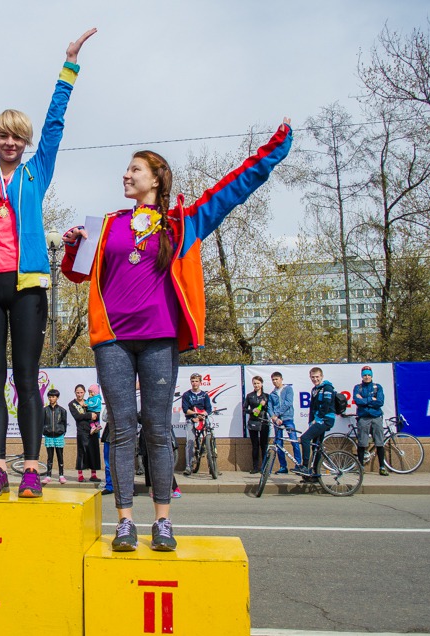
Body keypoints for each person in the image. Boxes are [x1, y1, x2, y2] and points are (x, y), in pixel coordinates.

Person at [61, 120, 293, 552]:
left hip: (160, 339)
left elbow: (232, 189)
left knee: (158, 428)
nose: (126, 175)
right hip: (111, 339)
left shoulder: (180, 224)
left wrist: (272, 152)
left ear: (156, 178)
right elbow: (75, 272)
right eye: (126, 170)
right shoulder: (106, 224)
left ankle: (163, 521)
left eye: (134, 170)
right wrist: (75, 243)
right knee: (123, 427)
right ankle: (126, 521)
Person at [0, 28, 97, 499]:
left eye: (17, 136)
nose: (10, 142)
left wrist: (69, 65)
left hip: (27, 285)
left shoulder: (36, 170)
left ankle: (31, 468)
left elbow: (55, 123)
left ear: (26, 142)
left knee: (26, 380)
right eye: (3, 135)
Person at [296, 367, 336, 478]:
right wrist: (310, 422)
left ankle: (304, 466)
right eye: (313, 377)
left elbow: (326, 405)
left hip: (326, 419)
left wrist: (318, 419)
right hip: (318, 420)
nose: (315, 379)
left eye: (317, 377)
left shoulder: (327, 388)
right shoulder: (314, 389)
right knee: (316, 447)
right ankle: (316, 475)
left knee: (305, 438)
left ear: (322, 376)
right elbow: (312, 408)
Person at [353, 365, 388, 476]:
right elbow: (357, 401)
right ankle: (361, 467)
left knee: (379, 443)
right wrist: (371, 399)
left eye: (369, 375)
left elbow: (380, 402)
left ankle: (382, 467)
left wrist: (365, 400)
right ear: (362, 376)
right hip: (363, 418)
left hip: (376, 417)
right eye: (365, 375)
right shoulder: (358, 387)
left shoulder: (378, 387)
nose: (367, 377)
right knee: (362, 443)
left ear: (371, 376)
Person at [267, 371, 300, 474]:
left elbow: (288, 403)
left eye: (276, 379)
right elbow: (269, 407)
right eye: (273, 380)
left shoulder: (288, 389)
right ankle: (283, 467)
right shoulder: (272, 394)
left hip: (288, 419)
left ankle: (299, 465)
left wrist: (277, 414)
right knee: (279, 444)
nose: (275, 381)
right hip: (277, 421)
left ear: (281, 379)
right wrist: (274, 417)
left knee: (294, 441)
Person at [69, 384, 101, 483]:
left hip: (93, 430)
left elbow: (97, 414)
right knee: (82, 452)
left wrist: (94, 417)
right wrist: (90, 415)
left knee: (94, 451)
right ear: (75, 393)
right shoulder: (72, 404)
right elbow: (77, 416)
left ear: (84, 392)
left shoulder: (89, 401)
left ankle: (94, 475)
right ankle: (80, 475)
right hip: (82, 431)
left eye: (81, 392)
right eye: (77, 392)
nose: (79, 394)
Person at [181, 373, 212, 476]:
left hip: (202, 419)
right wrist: (194, 415)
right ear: (191, 382)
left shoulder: (204, 395)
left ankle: (213, 464)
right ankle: (188, 467)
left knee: (210, 436)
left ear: (200, 382)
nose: (194, 383)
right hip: (191, 420)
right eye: (193, 381)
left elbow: (209, 409)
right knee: (189, 442)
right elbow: (185, 410)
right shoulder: (186, 395)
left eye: (196, 381)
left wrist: (203, 414)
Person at [41, 389, 68, 484]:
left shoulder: (62, 410)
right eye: (50, 397)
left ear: (57, 397)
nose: (51, 398)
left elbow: (64, 423)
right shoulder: (44, 410)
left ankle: (61, 475)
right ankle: (48, 475)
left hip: (59, 436)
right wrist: (45, 431)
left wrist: (62, 432)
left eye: (53, 396)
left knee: (60, 456)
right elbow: (42, 423)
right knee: (50, 457)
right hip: (48, 436)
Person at [245, 376, 271, 474]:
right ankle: (255, 467)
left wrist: (265, 405)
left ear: (262, 384)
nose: (256, 385)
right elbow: (244, 409)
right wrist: (252, 410)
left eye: (258, 383)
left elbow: (270, 409)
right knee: (255, 445)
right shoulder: (249, 396)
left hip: (264, 422)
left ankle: (264, 467)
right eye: (254, 383)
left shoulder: (267, 396)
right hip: (253, 422)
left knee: (264, 445)